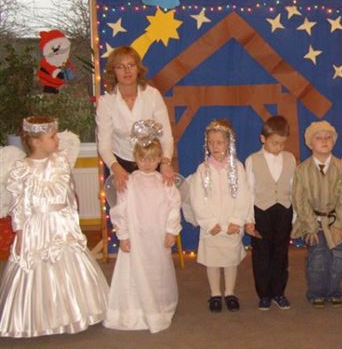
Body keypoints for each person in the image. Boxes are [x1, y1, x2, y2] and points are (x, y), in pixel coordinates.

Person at [0, 117, 109, 337]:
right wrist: (20, 233)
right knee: (37, 269)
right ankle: (40, 318)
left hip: (61, 224)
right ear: (36, 142)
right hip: (36, 227)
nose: (57, 139)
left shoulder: (61, 162)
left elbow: (69, 197)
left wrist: (73, 224)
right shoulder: (22, 169)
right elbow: (19, 205)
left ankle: (74, 312)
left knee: (69, 265)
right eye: (52, 137)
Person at [104, 120, 182, 333]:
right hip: (136, 237)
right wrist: (123, 235)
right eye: (142, 159)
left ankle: (159, 306)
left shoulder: (164, 182)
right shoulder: (129, 182)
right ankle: (134, 309)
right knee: (133, 271)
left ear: (159, 159)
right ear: (135, 158)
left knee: (157, 271)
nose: (147, 163)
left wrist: (171, 231)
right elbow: (120, 210)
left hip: (157, 236)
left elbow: (174, 206)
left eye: (152, 159)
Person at [291, 121, 342, 308]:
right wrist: (310, 225)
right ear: (310, 143)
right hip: (313, 222)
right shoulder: (302, 170)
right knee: (317, 258)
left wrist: (340, 222)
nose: (324, 141)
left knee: (338, 258)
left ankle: (334, 291)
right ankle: (316, 292)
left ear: (333, 141)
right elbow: (299, 199)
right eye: (319, 138)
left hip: (336, 221)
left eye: (328, 137)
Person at [189, 119, 251, 313]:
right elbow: (197, 199)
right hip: (213, 226)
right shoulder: (203, 170)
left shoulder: (237, 168)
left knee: (230, 260)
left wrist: (236, 220)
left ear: (228, 143)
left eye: (219, 142)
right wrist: (209, 223)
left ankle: (230, 292)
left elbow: (244, 195)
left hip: (231, 224)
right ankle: (215, 293)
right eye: (211, 142)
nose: (215, 146)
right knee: (213, 260)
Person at [96, 46, 175, 192]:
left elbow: (166, 136)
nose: (127, 71)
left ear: (138, 68)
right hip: (120, 165)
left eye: (131, 65)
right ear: (113, 72)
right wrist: (116, 168)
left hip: (153, 163)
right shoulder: (106, 102)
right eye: (120, 67)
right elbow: (104, 145)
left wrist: (165, 162)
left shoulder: (153, 96)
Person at [244, 115, 296, 311]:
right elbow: (249, 191)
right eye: (275, 143)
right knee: (261, 254)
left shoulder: (290, 159)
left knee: (281, 254)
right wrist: (249, 219)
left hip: (283, 210)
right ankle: (264, 294)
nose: (279, 147)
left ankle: (279, 292)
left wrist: (295, 217)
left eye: (282, 143)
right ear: (263, 139)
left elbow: (293, 188)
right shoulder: (252, 160)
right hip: (261, 212)